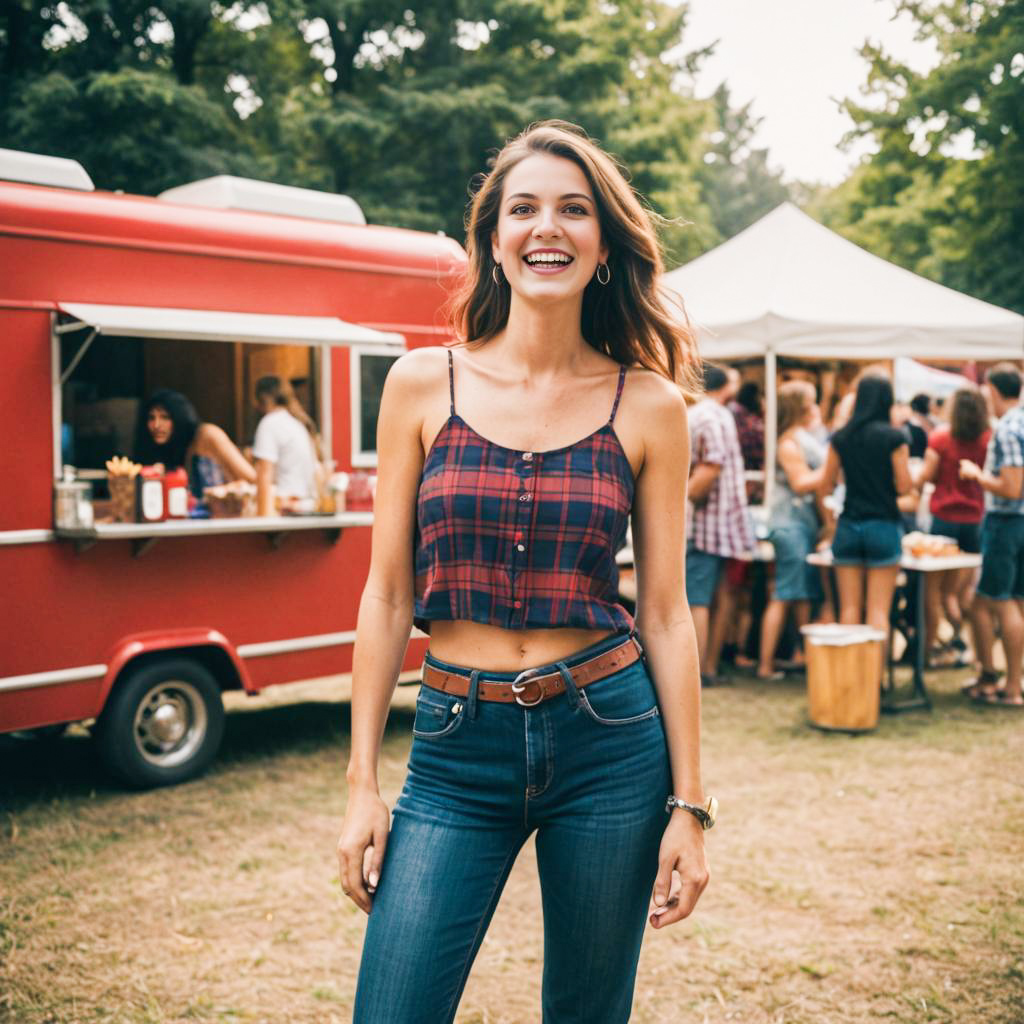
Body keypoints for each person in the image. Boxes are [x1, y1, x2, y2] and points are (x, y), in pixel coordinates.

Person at [336, 121, 713, 1024]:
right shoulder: (422, 384)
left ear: (605, 246)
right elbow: (388, 595)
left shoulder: (651, 404)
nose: (549, 227)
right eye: (525, 209)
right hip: (456, 741)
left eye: (574, 210)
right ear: (494, 243)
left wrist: (690, 808)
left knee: (587, 1011)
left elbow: (665, 615)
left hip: (609, 742)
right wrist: (360, 785)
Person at [820, 375, 913, 645]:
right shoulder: (895, 437)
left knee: (849, 610)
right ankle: (874, 682)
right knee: (877, 611)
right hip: (883, 523)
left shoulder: (841, 437)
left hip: (849, 524)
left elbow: (826, 484)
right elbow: (905, 486)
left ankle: (853, 679)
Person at [959, 363, 1024, 709]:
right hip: (1017, 524)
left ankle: (1009, 686)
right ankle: (997, 677)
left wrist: (977, 475)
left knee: (999, 601)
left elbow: (1013, 488)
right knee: (1006, 601)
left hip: (1007, 522)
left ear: (994, 390)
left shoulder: (1009, 428)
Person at [913, 387, 991, 673]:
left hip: (944, 518)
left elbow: (926, 476)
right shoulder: (987, 439)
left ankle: (930, 647)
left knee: (935, 592)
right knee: (963, 592)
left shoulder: (941, 438)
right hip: (974, 519)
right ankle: (970, 646)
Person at [687, 362, 755, 686]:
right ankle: (710, 666)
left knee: (697, 600)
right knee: (721, 595)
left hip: (703, 523)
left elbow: (709, 468)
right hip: (725, 521)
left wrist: (679, 497)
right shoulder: (722, 414)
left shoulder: (701, 415)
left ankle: (696, 672)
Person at [758, 381, 828, 680]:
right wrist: (835, 465)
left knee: (800, 592)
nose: (815, 408)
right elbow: (801, 482)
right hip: (789, 526)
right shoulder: (787, 443)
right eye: (811, 403)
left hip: (802, 525)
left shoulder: (802, 438)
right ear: (799, 409)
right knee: (784, 593)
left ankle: (802, 655)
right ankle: (765, 665)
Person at [134, 388, 255, 497]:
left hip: (225, 516)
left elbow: (252, 480)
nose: (156, 425)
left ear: (180, 417)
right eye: (151, 418)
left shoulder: (207, 435)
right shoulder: (160, 448)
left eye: (165, 417)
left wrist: (226, 490)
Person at [252, 376, 320, 515]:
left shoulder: (269, 423)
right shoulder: (298, 423)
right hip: (306, 506)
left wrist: (262, 521)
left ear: (263, 398)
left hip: (285, 508)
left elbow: (264, 475)